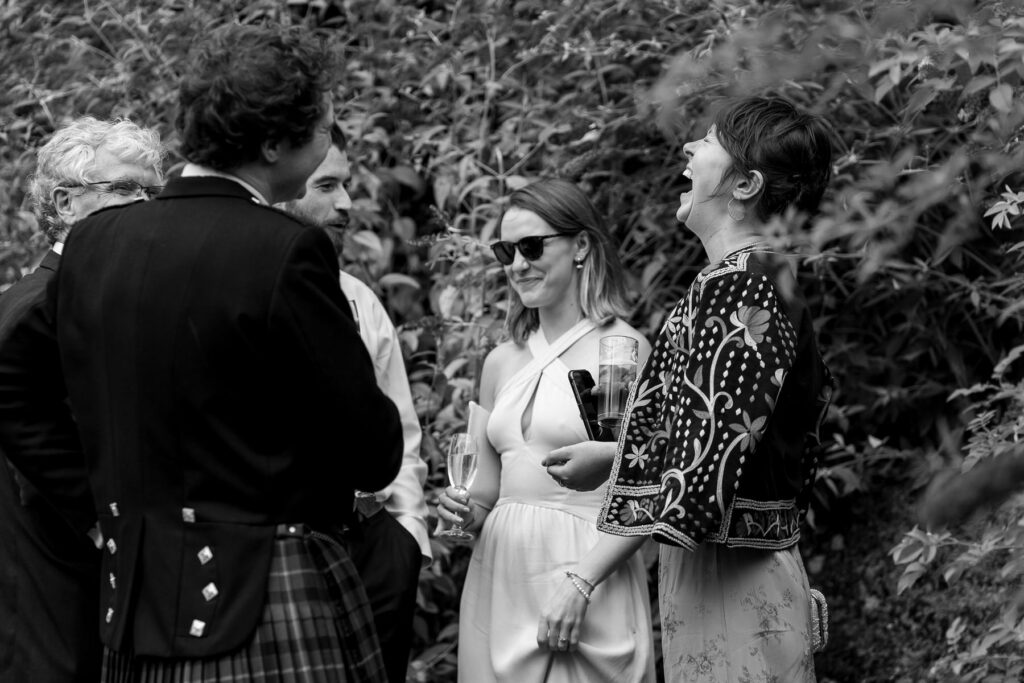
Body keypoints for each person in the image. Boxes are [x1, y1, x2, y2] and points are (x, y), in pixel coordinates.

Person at [0, 23, 402, 683]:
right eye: (325, 130)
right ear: (274, 142)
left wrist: (100, 503)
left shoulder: (98, 243)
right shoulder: (285, 251)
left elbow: (12, 379)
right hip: (265, 589)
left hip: (137, 598)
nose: (330, 143)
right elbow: (371, 449)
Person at [597, 96, 835, 681]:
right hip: (734, 568)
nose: (688, 148)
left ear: (746, 183)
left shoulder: (743, 286)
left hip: (729, 575)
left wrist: (597, 554)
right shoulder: (756, 276)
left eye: (707, 141)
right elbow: (724, 435)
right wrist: (611, 455)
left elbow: (709, 461)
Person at [437, 178, 656, 682]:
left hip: (583, 573)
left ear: (581, 244)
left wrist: (582, 584)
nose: (517, 264)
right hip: (502, 576)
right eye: (505, 250)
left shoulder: (620, 351)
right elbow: (485, 490)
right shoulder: (499, 362)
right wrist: (461, 509)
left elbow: (643, 487)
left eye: (532, 246)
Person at [0, 116, 164, 683]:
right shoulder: (40, 303)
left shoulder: (102, 293)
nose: (143, 203)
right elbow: (21, 422)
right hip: (52, 577)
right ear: (66, 202)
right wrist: (104, 523)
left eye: (152, 191)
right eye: (122, 188)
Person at [280, 125, 430, 683]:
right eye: (326, 186)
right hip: (291, 556)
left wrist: (406, 538)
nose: (344, 204)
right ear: (285, 186)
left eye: (345, 186)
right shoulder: (247, 296)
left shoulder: (360, 300)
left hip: (376, 550)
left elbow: (404, 430)